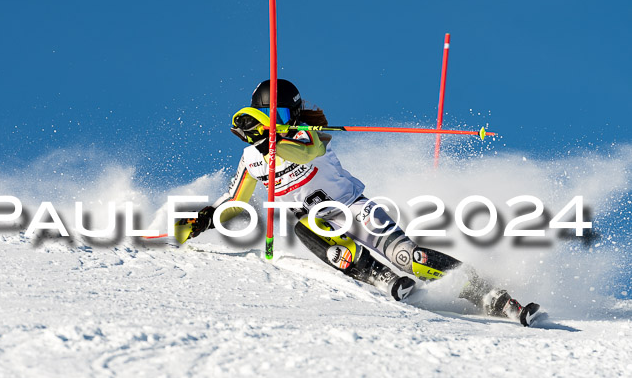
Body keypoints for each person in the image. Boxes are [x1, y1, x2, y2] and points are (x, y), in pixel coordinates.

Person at [177, 79, 540, 326]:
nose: (279, 124)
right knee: (305, 225)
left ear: (296, 115)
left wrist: (275, 140)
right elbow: (234, 200)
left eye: (284, 117)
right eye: (272, 119)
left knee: (409, 257)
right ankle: (378, 276)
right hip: (318, 225)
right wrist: (204, 219)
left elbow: (307, 153)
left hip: (356, 209)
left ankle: (493, 297)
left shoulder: (308, 135)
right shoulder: (252, 160)